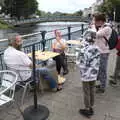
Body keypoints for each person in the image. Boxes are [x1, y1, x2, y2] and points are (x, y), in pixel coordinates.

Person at [78, 30, 100, 118]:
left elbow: (80, 63)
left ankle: (87, 109)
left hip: (86, 75)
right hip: (94, 73)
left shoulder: (84, 50)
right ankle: (91, 106)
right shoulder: (97, 48)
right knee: (92, 90)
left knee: (86, 91)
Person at [93, 13, 112, 93]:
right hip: (99, 51)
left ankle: (102, 87)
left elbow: (96, 35)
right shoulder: (102, 27)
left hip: (103, 52)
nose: (94, 22)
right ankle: (101, 83)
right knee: (99, 69)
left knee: (103, 70)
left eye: (95, 21)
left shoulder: (107, 28)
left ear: (100, 21)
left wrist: (93, 26)